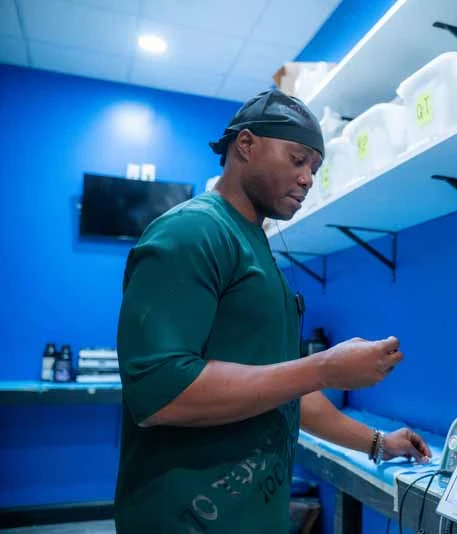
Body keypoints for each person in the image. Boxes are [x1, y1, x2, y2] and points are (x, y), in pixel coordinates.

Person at [114, 89, 432, 533]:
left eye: (314, 169)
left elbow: (285, 389)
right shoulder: (192, 231)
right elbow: (159, 393)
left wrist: (378, 442)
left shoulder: (256, 246)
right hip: (185, 517)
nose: (307, 179)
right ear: (246, 145)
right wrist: (325, 368)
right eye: (298, 160)